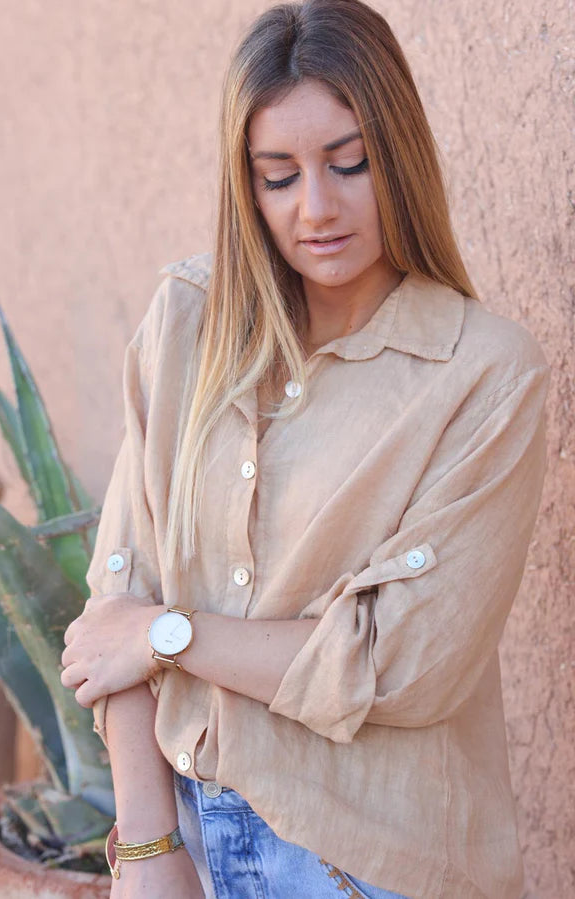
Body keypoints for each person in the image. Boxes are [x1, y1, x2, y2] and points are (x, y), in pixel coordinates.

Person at [60, 1, 550, 897]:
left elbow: (398, 665)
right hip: (190, 845)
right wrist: (146, 846)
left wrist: (171, 637)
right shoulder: (185, 324)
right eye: (277, 175)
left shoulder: (485, 376)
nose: (315, 208)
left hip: (372, 868)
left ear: (396, 153)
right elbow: (114, 606)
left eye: (349, 162)